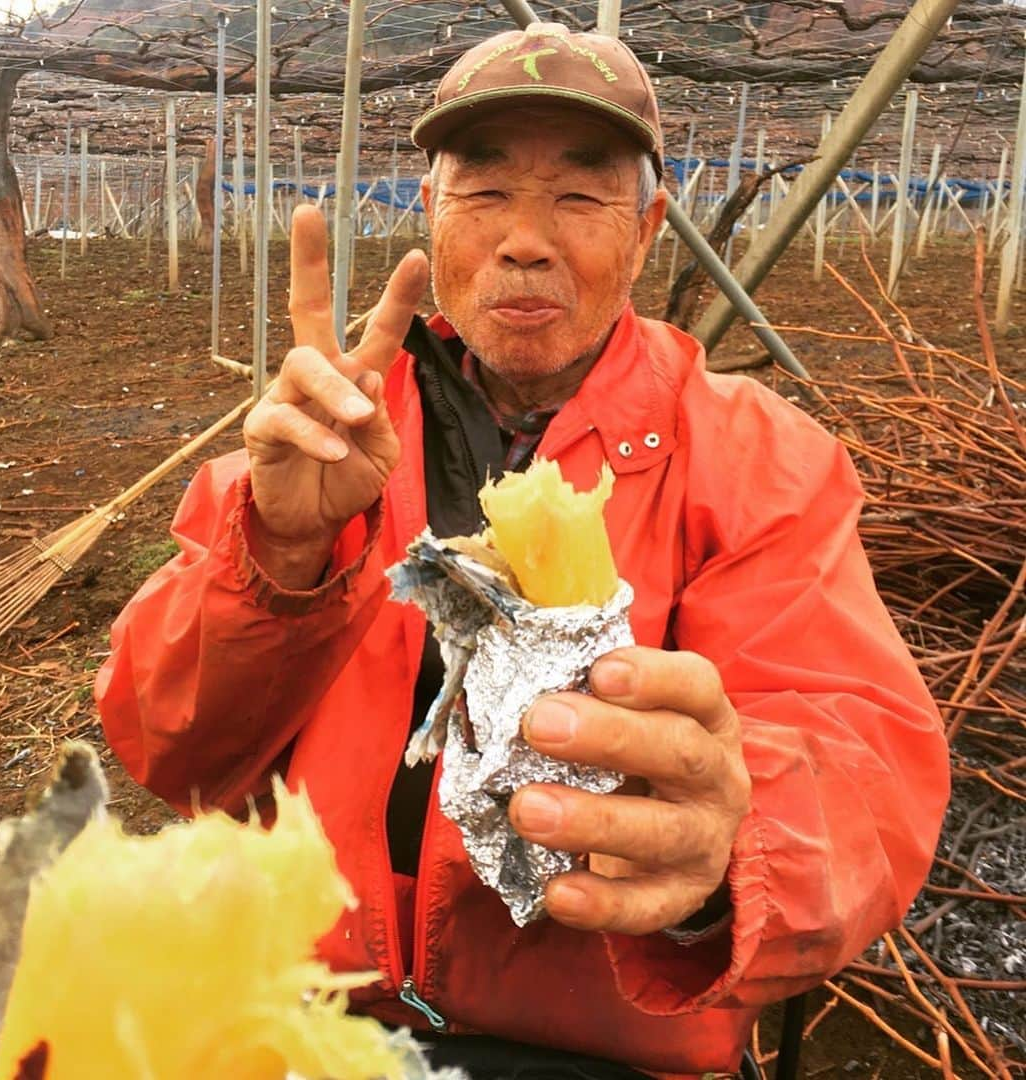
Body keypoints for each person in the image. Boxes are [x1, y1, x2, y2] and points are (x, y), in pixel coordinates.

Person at [97, 22, 949, 1080]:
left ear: (646, 233)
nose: (526, 241)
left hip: (601, 1047)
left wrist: (734, 842)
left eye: (579, 198)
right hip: (305, 1026)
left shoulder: (753, 458)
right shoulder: (326, 434)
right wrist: (280, 552)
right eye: (486, 194)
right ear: (431, 219)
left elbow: (863, 763)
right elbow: (163, 742)